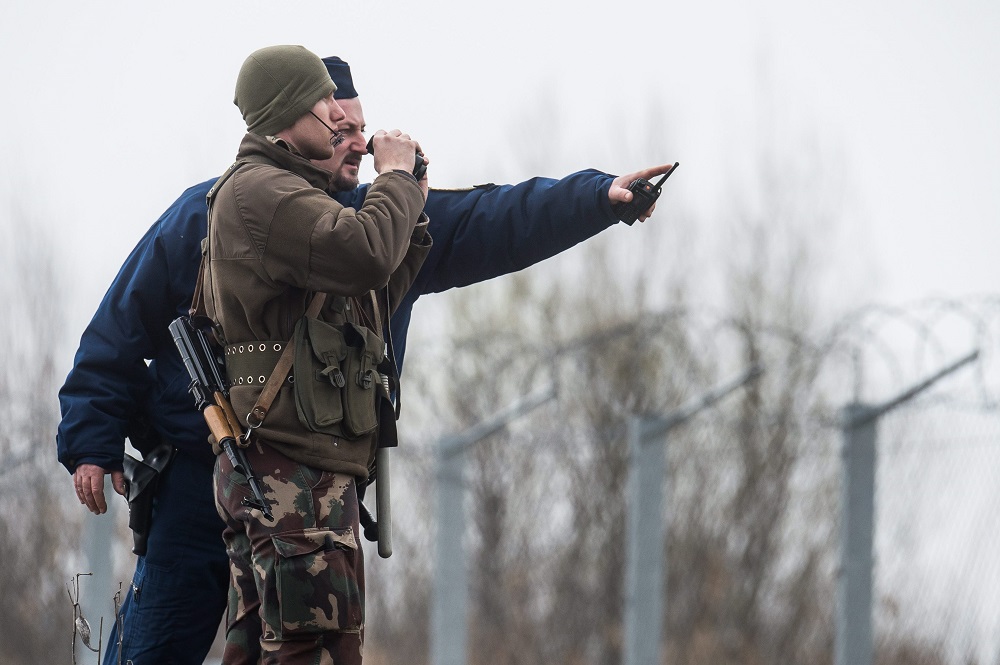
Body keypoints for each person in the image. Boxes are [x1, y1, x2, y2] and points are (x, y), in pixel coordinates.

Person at [57, 55, 674, 664]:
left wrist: (601, 198)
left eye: (359, 129)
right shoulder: (222, 209)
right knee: (161, 644)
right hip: (203, 471)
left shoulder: (380, 217)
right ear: (294, 127)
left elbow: (500, 217)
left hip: (313, 480)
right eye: (339, 129)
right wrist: (92, 436)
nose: (355, 144)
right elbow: (121, 324)